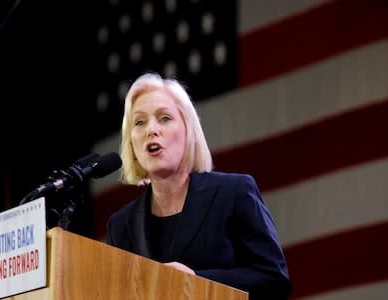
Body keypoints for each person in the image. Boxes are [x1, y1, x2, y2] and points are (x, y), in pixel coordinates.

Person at [105, 72, 291, 299]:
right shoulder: (120, 225)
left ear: (188, 130)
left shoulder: (233, 193)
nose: (151, 130)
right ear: (131, 142)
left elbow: (274, 281)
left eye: (164, 118)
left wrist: (195, 281)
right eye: (140, 122)